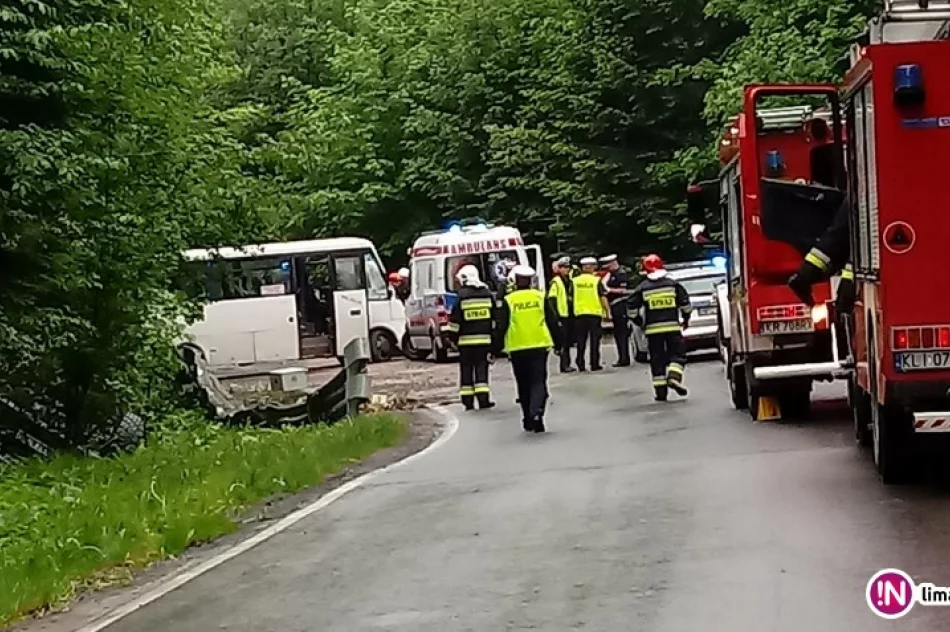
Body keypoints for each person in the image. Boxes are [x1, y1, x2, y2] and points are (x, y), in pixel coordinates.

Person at [493, 264, 561, 432]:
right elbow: (552, 320)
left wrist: (495, 349)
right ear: (531, 281)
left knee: (523, 383)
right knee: (538, 381)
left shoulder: (509, 300)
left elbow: (502, 325)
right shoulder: (540, 297)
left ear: (515, 281)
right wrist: (559, 343)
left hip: (517, 347)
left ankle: (527, 418)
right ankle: (537, 412)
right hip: (539, 344)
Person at [626, 254, 691, 401]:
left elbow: (631, 307)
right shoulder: (673, 285)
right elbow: (685, 304)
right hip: (672, 328)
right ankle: (674, 377)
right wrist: (686, 319)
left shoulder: (643, 288)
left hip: (653, 331)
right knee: (678, 355)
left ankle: (661, 393)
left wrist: (639, 322)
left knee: (657, 359)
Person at [445, 265, 496, 411]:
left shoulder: (462, 296)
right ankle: (483, 400)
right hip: (484, 341)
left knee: (466, 370)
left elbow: (455, 321)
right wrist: (494, 341)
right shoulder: (487, 294)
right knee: (482, 369)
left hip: (465, 343)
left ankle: (468, 402)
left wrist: (452, 338)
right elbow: (494, 319)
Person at [572, 256, 610, 372]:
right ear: (593, 267)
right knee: (595, 340)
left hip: (579, 313)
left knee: (581, 340)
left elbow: (570, 297)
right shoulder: (596, 280)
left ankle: (580, 362)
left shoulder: (574, 281)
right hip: (594, 313)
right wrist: (607, 312)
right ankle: (594, 363)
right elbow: (602, 297)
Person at [599, 254, 631, 367]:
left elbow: (623, 290)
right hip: (614, 305)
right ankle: (622, 357)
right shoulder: (611, 274)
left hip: (620, 305)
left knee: (621, 333)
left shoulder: (621, 274)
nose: (607, 269)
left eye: (608, 266)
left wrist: (609, 290)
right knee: (618, 333)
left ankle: (624, 358)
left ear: (613, 263)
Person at [547, 256, 575, 372]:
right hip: (561, 315)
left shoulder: (568, 280)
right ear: (559, 269)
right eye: (564, 267)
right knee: (563, 341)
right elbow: (551, 299)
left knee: (567, 341)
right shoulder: (556, 281)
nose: (566, 270)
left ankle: (567, 363)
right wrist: (555, 316)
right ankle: (564, 365)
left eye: (568, 268)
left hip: (568, 314)